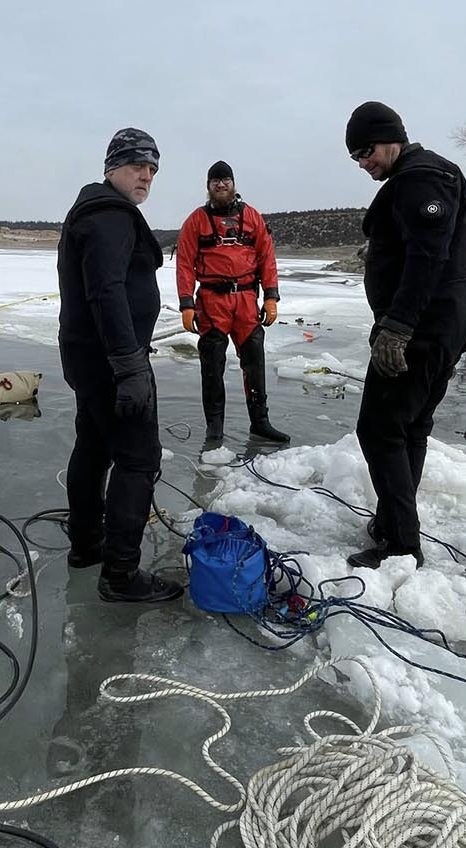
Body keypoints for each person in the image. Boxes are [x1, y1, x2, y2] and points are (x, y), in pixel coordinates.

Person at [343, 101, 466, 569]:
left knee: (378, 429)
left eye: (366, 150)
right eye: (355, 156)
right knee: (409, 427)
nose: (363, 162)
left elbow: (427, 257)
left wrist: (397, 328)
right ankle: (393, 525)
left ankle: (400, 542)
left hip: (422, 326)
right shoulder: (420, 176)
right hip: (439, 324)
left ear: (391, 137)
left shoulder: (423, 178)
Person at [56, 127, 183, 603]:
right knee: (138, 459)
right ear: (111, 169)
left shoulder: (98, 213)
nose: (146, 175)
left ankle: (86, 548)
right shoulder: (109, 216)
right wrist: (130, 367)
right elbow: (106, 290)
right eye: (136, 166)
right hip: (113, 362)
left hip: (92, 359)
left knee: (92, 449)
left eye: (152, 168)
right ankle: (121, 575)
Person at [174, 160, 289, 445]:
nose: (220, 184)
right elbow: (185, 264)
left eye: (225, 179)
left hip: (247, 301)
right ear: (208, 186)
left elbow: (266, 259)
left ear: (233, 183)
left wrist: (271, 297)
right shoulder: (196, 221)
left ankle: (260, 423)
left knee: (254, 362)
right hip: (212, 302)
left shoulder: (252, 217)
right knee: (212, 366)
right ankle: (215, 427)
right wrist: (187, 304)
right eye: (215, 181)